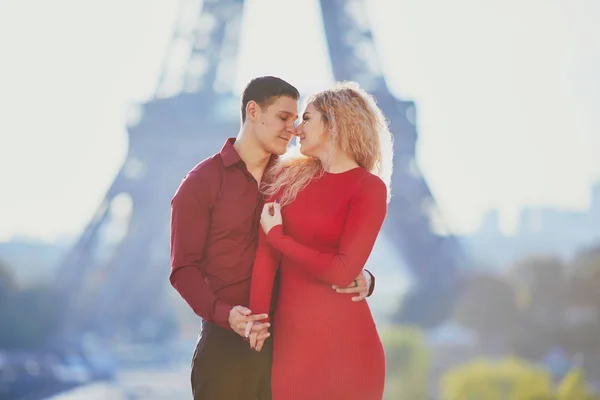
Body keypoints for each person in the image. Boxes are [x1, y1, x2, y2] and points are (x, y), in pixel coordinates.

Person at [169, 76, 376, 400]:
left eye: (298, 120)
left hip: (291, 346)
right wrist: (225, 314)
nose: (293, 129)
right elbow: (183, 269)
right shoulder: (200, 183)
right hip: (228, 345)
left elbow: (335, 239)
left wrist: (362, 274)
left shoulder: (298, 178)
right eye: (284, 118)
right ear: (253, 111)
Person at [248, 81, 393, 400]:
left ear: (334, 124)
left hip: (352, 353)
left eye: (308, 118)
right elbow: (264, 258)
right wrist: (257, 324)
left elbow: (342, 271)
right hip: (293, 349)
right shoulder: (285, 181)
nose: (297, 128)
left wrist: (279, 238)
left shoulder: (369, 189)